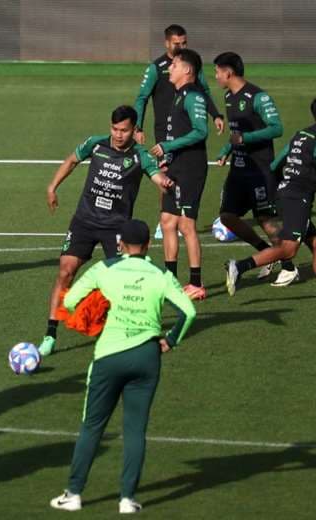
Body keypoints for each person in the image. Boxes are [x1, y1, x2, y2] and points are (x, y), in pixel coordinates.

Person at [49, 219, 196, 514]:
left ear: (120, 244)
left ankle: (74, 493)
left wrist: (98, 310)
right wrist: (170, 340)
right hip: (147, 357)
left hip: (109, 355)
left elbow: (72, 301)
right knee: (135, 430)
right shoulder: (161, 274)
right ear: (147, 245)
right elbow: (189, 311)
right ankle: (127, 499)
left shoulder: (105, 269)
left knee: (92, 426)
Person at [38, 106, 172, 357]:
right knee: (65, 272)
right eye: (115, 129)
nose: (118, 135)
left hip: (117, 227)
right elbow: (72, 160)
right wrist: (52, 186)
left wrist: (164, 181)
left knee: (123, 281)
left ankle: (132, 329)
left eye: (124, 130)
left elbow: (155, 176)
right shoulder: (96, 144)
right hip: (84, 221)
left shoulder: (140, 155)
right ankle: (50, 334)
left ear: (134, 130)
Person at [225, 97, 316, 306]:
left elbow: (277, 163)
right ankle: (239, 266)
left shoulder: (300, 135)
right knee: (288, 249)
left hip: (285, 196)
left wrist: (282, 187)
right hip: (298, 200)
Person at [212, 51, 298, 286]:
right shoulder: (229, 97)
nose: (216, 77)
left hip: (259, 170)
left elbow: (277, 128)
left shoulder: (258, 97)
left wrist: (246, 139)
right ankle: (265, 253)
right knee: (227, 216)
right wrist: (226, 150)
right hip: (238, 170)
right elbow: (236, 132)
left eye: (217, 72)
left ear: (228, 72)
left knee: (267, 221)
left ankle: (289, 268)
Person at [133, 24, 224, 239]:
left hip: (186, 126)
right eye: (177, 43)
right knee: (165, 173)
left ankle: (183, 215)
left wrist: (216, 114)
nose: (181, 46)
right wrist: (138, 126)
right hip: (165, 132)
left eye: (184, 43)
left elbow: (204, 91)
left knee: (185, 170)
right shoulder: (157, 68)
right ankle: (164, 220)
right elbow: (142, 97)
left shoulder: (191, 65)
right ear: (167, 43)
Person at [149, 49, 209, 299]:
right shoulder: (177, 95)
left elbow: (200, 131)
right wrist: (167, 160)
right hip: (176, 166)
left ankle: (196, 284)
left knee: (186, 225)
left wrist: (168, 147)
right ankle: (170, 281)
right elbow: (177, 133)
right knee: (167, 221)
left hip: (190, 169)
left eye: (173, 65)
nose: (169, 68)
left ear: (187, 70)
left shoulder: (194, 96)